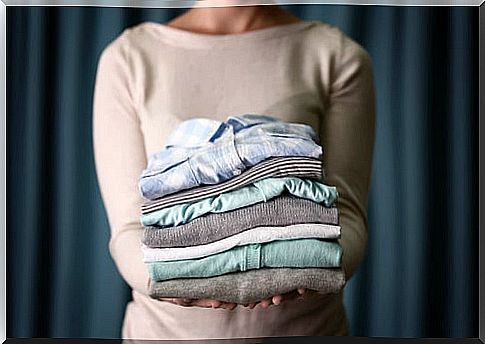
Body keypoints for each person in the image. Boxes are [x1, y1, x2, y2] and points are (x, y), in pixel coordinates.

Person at [93, 1, 375, 339]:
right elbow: (129, 227)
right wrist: (172, 281)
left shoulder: (336, 55)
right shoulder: (129, 58)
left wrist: (312, 270)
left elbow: (345, 214)